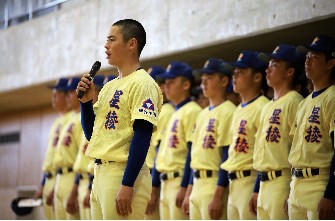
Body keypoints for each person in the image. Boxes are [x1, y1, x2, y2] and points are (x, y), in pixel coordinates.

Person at [77, 19, 163, 219]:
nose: (106, 46)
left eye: (112, 40)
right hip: (100, 173)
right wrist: (86, 104)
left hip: (123, 173)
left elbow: (142, 136)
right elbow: (93, 134)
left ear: (131, 44)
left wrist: (127, 183)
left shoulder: (143, 83)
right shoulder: (109, 86)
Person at [249, 44, 305, 219]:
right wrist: (257, 188)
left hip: (283, 181)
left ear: (290, 72)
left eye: (274, 65)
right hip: (264, 182)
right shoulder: (267, 105)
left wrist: (292, 188)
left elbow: (299, 149)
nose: (268, 70)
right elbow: (262, 152)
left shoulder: (294, 101)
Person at [288, 35, 335, 220]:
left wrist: (331, 193)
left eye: (315, 57)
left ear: (330, 63)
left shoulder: (332, 97)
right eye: (307, 56)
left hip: (319, 182)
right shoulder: (305, 102)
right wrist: (291, 190)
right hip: (296, 183)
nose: (308, 61)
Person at [182, 58, 236, 220]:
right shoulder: (202, 113)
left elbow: (227, 154)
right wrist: (189, 190)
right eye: (203, 79)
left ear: (224, 81)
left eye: (209, 78)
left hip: (214, 182)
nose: (204, 83)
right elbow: (194, 156)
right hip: (197, 184)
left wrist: (218, 195)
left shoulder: (229, 110)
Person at [220, 51, 270, 220]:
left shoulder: (263, 106)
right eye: (234, 73)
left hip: (251, 180)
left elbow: (264, 152)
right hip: (234, 183)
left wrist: (256, 189)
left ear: (257, 77)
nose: (235, 76)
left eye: (241, 73)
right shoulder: (239, 109)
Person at [151, 61, 202, 220]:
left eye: (172, 82)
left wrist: (185, 186)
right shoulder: (175, 111)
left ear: (186, 84)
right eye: (165, 82)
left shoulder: (192, 110)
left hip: (179, 179)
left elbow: (192, 154)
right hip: (165, 181)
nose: (167, 86)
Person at [34, 78, 70, 219]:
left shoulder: (73, 119)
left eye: (56, 94)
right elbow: (51, 157)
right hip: (49, 178)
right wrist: (42, 185)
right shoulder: (56, 122)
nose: (53, 98)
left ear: (66, 95)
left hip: (63, 177)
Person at [145, 66, 174, 220]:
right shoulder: (151, 110)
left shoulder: (166, 111)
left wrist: (154, 187)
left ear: (162, 88)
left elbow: (159, 152)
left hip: (153, 176)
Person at [52, 77, 82, 220]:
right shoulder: (69, 120)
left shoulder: (84, 118)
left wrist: (75, 188)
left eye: (71, 92)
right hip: (59, 177)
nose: (69, 96)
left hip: (73, 176)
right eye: (67, 93)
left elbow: (82, 155)